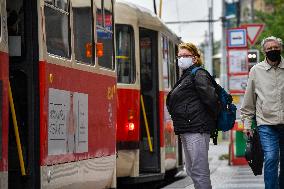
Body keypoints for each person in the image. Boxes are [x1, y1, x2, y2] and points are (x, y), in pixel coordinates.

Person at [166, 42, 219, 189]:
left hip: (197, 128)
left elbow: (211, 99)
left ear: (195, 58)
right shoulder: (186, 76)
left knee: (199, 170)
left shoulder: (199, 74)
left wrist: (206, 120)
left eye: (185, 56)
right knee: (191, 169)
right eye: (179, 56)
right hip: (188, 128)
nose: (181, 59)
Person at [240, 36, 284, 189]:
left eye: (276, 48)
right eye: (269, 49)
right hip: (266, 124)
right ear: (264, 51)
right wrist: (246, 124)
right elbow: (249, 100)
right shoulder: (256, 71)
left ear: (281, 49)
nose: (273, 51)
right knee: (271, 158)